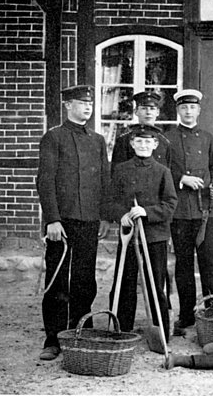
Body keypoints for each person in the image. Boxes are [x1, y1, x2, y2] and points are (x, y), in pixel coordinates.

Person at [36, 85, 111, 360]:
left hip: (89, 219)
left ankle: (81, 330)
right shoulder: (53, 137)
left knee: (84, 278)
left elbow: (105, 180)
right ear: (67, 106)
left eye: (90, 103)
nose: (87, 108)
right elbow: (45, 181)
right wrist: (52, 220)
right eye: (81, 103)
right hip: (63, 221)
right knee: (58, 278)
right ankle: (53, 337)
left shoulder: (98, 140)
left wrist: (104, 216)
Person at [107, 125, 178, 342]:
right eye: (139, 141)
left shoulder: (162, 171)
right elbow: (110, 201)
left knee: (155, 285)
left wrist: (146, 211)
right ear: (132, 144)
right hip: (129, 236)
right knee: (125, 283)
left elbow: (170, 204)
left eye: (148, 142)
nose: (143, 145)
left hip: (154, 237)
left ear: (155, 145)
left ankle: (161, 333)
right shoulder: (121, 169)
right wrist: (122, 214)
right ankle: (122, 330)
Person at [165, 89, 213, 336]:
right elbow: (162, 170)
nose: (188, 111)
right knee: (184, 265)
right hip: (179, 210)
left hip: (204, 211)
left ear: (199, 110)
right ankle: (186, 315)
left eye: (192, 108)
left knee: (209, 262)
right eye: (183, 108)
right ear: (178, 110)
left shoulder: (208, 138)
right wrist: (182, 179)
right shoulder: (167, 138)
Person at [111, 91, 171, 174]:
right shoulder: (123, 141)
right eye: (144, 108)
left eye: (152, 109)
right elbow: (117, 174)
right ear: (136, 111)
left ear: (157, 112)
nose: (148, 112)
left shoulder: (164, 143)